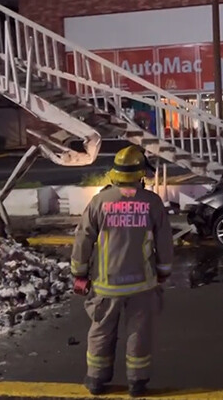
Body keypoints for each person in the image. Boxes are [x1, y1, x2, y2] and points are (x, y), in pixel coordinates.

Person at [71, 146, 174, 397]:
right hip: (142, 285)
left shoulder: (100, 202)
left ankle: (96, 380)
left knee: (101, 331)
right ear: (139, 174)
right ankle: (137, 383)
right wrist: (163, 271)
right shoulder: (152, 203)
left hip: (106, 285)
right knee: (139, 333)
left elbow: (83, 239)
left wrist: (80, 273)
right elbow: (164, 241)